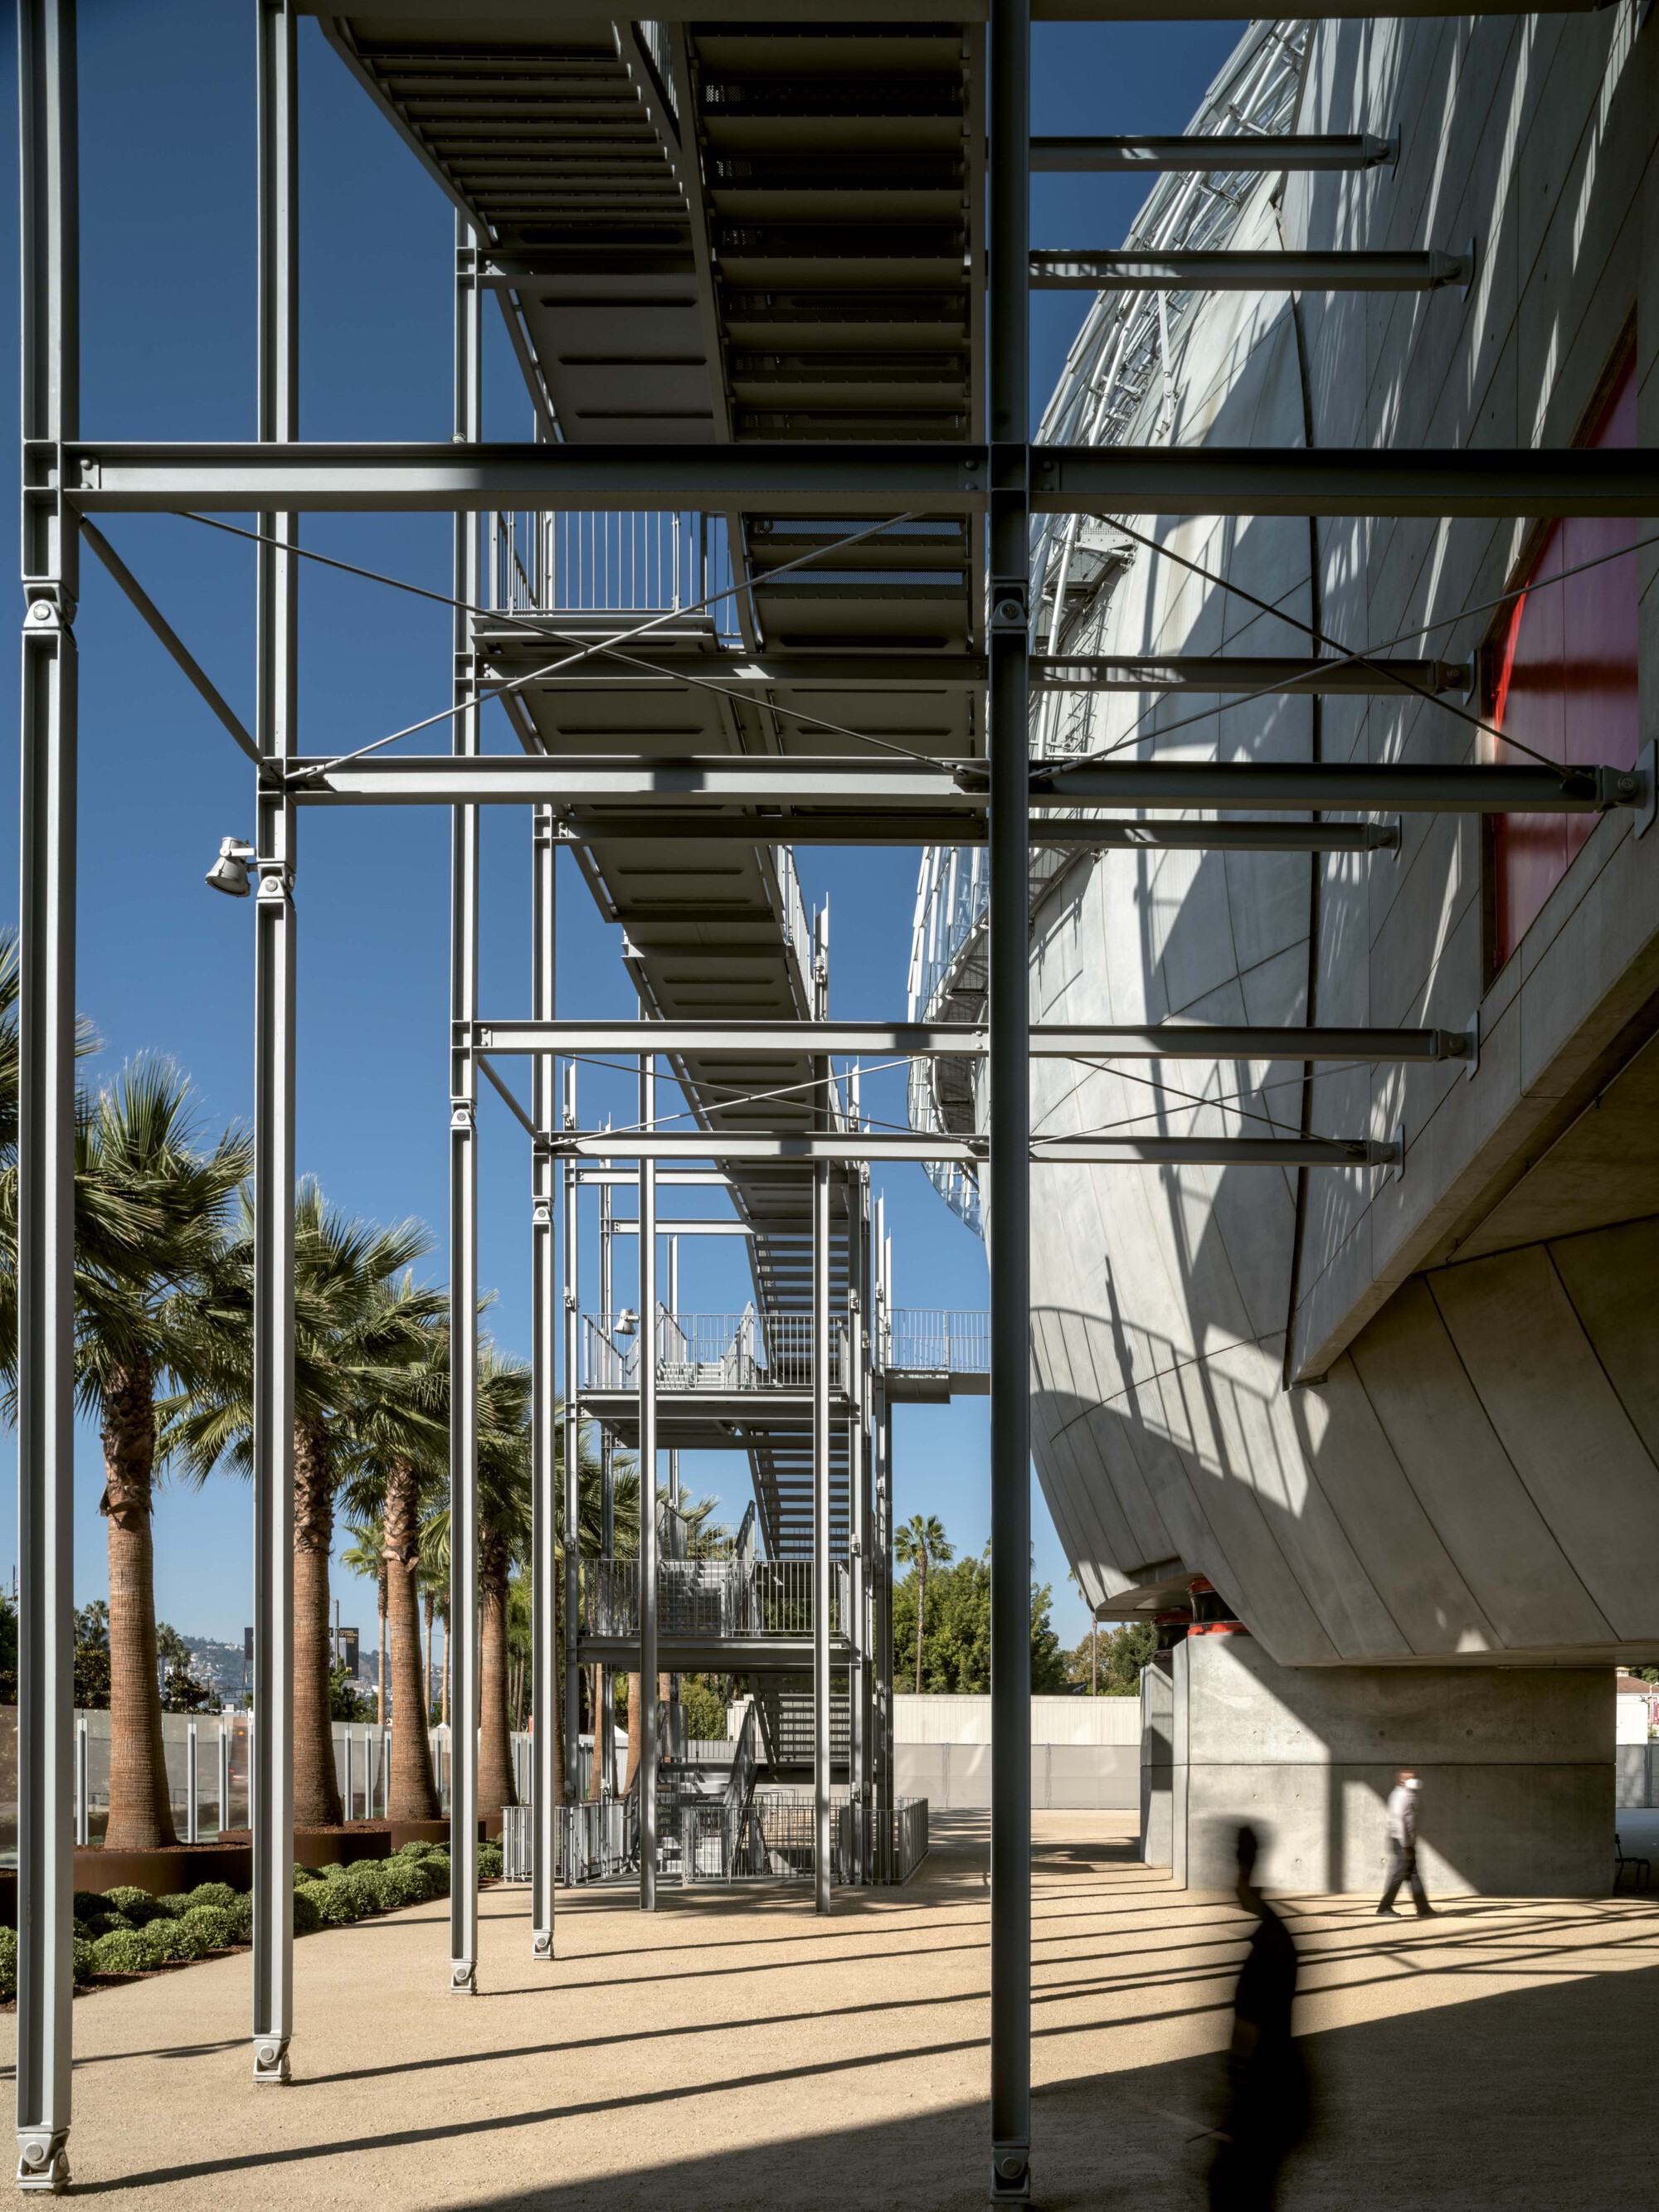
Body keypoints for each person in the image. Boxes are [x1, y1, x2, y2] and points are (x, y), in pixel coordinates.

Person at [1209, 1824, 1309, 2211]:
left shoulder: (1263, 1952)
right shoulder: (1280, 1938)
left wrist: (1233, 2111)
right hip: (1280, 2095)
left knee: (1233, 2189)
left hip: (1262, 2101)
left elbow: (1246, 2042)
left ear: (1244, 1875)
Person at [1376, 1767, 1438, 1919]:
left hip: (1408, 1841)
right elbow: (1397, 1821)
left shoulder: (1410, 1794)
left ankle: (1423, 1909)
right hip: (1401, 1841)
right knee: (1401, 1874)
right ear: (1403, 1781)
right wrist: (1405, 1846)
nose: (1416, 1780)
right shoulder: (1399, 1796)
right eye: (1413, 1778)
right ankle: (1384, 1907)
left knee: (1413, 1874)